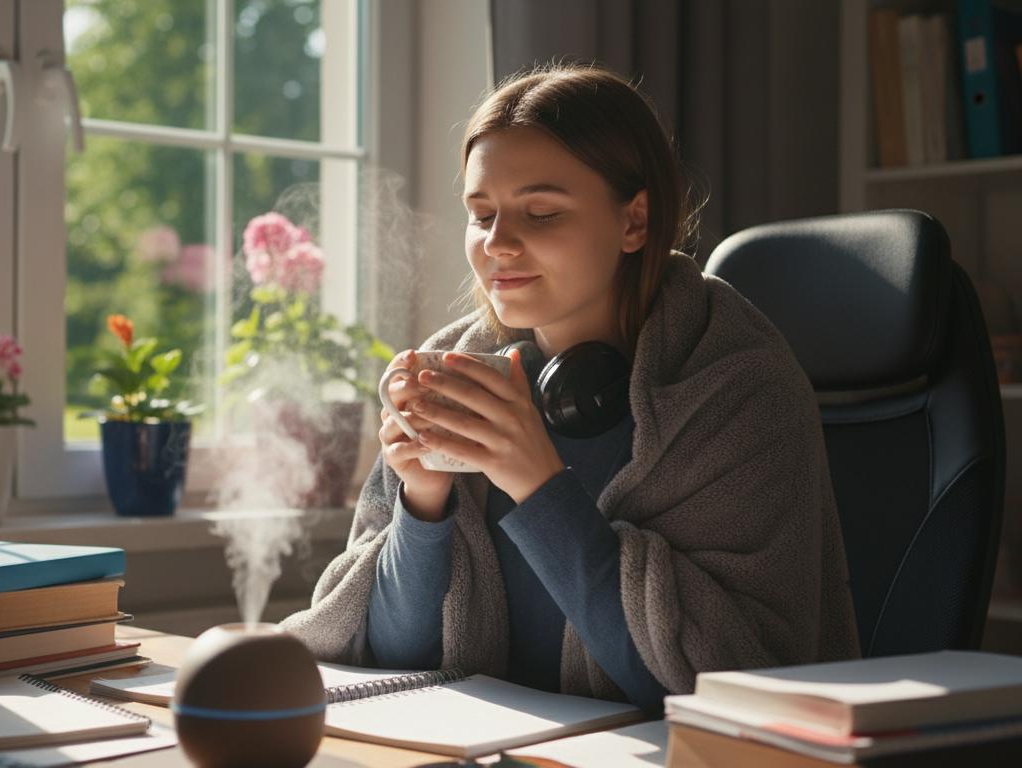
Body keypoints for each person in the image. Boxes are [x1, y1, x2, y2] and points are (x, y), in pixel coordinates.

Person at [281, 64, 859, 713]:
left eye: (542, 212)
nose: (498, 243)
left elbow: (720, 687)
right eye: (481, 214)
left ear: (635, 221)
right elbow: (386, 656)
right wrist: (423, 502)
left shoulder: (736, 384)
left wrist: (538, 484)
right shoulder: (460, 369)